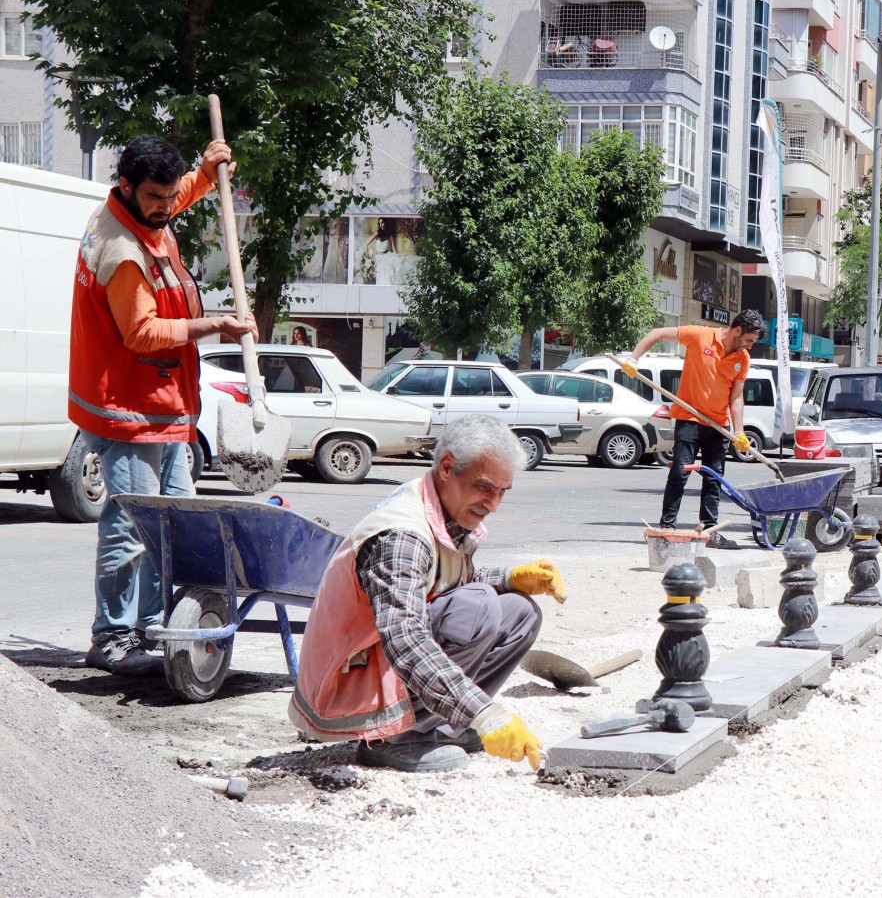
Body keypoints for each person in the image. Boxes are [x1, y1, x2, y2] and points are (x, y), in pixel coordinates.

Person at [70, 134, 257, 675]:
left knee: (173, 529)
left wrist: (204, 171)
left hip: (164, 405)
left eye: (170, 195)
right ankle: (112, 637)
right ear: (126, 186)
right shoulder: (123, 251)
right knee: (132, 528)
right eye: (156, 196)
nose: (165, 206)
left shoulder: (136, 213)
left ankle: (153, 626)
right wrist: (215, 325)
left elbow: (172, 199)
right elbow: (142, 333)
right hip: (127, 407)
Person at [289, 414, 565, 773]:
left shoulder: (437, 503)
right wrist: (485, 715)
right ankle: (393, 739)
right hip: (345, 685)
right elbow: (405, 638)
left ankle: (445, 725)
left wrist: (510, 577)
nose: (493, 503)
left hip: (378, 666)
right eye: (484, 487)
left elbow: (436, 583)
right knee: (478, 605)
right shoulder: (402, 534)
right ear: (448, 467)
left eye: (501, 491)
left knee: (518, 611)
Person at [622, 311, 766, 548]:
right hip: (689, 418)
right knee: (680, 472)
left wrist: (739, 431)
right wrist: (634, 359)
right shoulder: (700, 336)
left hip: (719, 425)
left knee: (713, 479)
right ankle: (667, 528)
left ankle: (710, 531)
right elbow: (657, 334)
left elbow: (736, 397)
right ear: (737, 330)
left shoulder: (743, 359)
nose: (750, 346)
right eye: (749, 340)